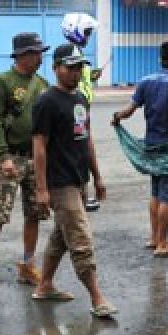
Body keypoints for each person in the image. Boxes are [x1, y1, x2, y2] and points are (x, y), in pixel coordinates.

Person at [32, 44, 117, 318]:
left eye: (79, 67)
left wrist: (98, 177)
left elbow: (87, 138)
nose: (76, 72)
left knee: (61, 235)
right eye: (70, 67)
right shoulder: (47, 101)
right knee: (80, 238)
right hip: (59, 182)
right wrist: (42, 189)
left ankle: (44, 285)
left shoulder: (80, 98)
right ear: (56, 68)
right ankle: (97, 297)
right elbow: (39, 146)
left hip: (79, 178)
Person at [110, 40, 168, 258]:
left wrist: (117, 118)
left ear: (160, 60)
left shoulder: (145, 81)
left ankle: (154, 237)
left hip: (151, 145)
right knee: (167, 196)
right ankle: (163, 244)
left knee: (156, 192)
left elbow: (128, 111)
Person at [0, 32, 49, 287]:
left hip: (34, 158)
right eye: (37, 53)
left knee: (34, 213)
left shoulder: (42, 84)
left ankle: (28, 265)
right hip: (10, 158)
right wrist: (2, 156)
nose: (41, 57)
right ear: (23, 55)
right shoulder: (2, 82)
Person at [60, 12, 106, 211]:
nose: (88, 36)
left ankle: (82, 195)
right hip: (76, 109)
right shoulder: (71, 52)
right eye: (86, 32)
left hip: (82, 106)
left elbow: (82, 78)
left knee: (82, 148)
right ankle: (80, 196)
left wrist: (92, 75)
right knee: (81, 148)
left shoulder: (78, 53)